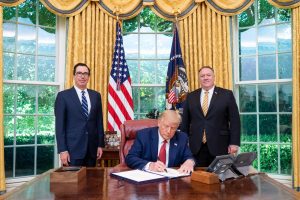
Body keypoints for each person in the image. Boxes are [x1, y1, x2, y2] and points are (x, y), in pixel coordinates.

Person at [181, 66, 241, 167]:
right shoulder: (191, 96)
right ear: (199, 79)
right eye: (202, 76)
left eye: (208, 75)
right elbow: (185, 122)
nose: (205, 78)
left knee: (220, 178)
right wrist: (183, 143)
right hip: (196, 146)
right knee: (197, 178)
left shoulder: (226, 94)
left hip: (220, 145)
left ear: (214, 77)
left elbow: (235, 121)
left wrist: (234, 143)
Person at [55, 63, 105, 167]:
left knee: (91, 181)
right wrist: (62, 150)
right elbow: (59, 126)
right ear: (74, 76)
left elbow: (99, 122)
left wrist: (100, 145)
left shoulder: (96, 96)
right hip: (72, 150)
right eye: (79, 73)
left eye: (85, 73)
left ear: (89, 76)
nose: (82, 76)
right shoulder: (63, 96)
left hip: (92, 150)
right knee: (73, 182)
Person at [125, 110, 195, 174]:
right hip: (148, 179)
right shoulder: (144, 135)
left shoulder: (181, 138)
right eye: (166, 126)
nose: (168, 131)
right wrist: (150, 165)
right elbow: (130, 158)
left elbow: (189, 157)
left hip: (172, 180)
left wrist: (189, 162)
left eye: (173, 128)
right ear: (159, 123)